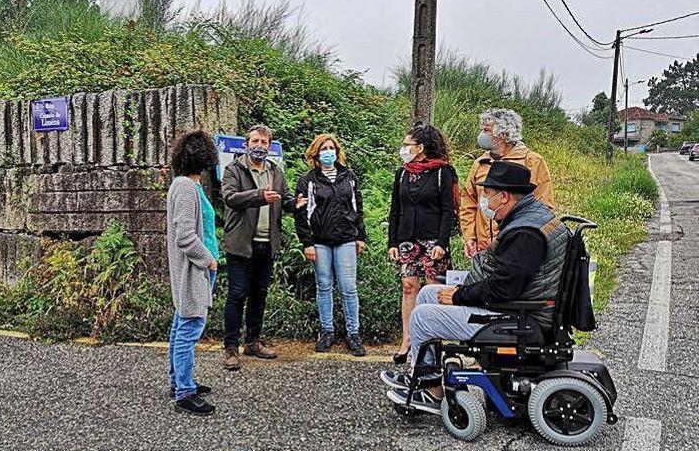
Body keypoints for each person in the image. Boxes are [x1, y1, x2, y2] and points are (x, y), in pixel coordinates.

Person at [382, 161, 570, 414]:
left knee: (422, 317)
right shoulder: (532, 217)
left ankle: (430, 391)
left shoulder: (526, 232)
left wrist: (460, 296)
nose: (485, 202)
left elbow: (504, 289)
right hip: (517, 306)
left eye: (488, 195)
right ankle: (422, 373)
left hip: (520, 318)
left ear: (504, 197)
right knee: (428, 293)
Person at [220, 124, 306, 371]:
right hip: (241, 244)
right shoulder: (234, 169)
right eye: (255, 141)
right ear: (246, 145)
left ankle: (253, 341)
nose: (260, 146)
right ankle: (230, 347)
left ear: (269, 146)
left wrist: (294, 204)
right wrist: (259, 196)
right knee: (237, 295)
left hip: (267, 244)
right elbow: (230, 198)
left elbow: (284, 198)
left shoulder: (275, 172)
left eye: (264, 143)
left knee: (259, 295)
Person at [387, 123, 457, 364]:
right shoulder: (403, 172)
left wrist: (442, 243)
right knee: (408, 287)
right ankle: (407, 339)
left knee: (431, 291)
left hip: (433, 240)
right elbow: (395, 208)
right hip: (408, 239)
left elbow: (449, 211)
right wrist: (393, 241)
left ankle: (432, 342)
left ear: (421, 148)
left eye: (408, 145)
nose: (404, 149)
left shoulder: (443, 173)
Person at [294, 133, 367, 356]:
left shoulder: (349, 176)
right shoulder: (308, 180)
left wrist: (360, 236)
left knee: (348, 288)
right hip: (320, 241)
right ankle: (327, 331)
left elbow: (358, 207)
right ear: (316, 153)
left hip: (346, 239)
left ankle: (353, 333)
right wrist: (307, 242)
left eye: (331, 148)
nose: (329, 152)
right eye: (324, 148)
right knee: (324, 286)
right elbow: (301, 213)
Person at [166, 130, 220, 416]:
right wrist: (208, 260)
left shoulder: (185, 185)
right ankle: (184, 392)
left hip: (194, 268)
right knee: (190, 327)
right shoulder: (187, 188)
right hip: (195, 269)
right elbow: (185, 236)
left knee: (181, 323)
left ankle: (179, 381)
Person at [460, 108, 555, 259]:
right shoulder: (480, 163)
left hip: (515, 247)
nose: (481, 135)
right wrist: (470, 237)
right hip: (483, 250)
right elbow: (468, 202)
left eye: (486, 130)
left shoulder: (531, 161)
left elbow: (543, 206)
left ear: (503, 135)